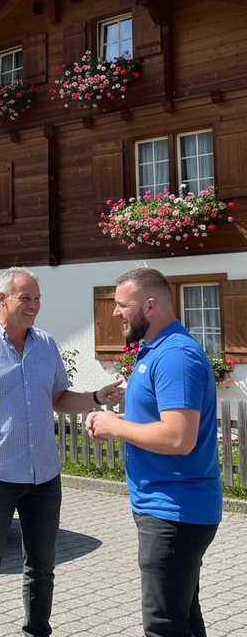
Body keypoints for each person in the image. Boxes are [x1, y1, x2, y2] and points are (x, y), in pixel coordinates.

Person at [0, 266, 124, 637]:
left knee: (42, 567)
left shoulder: (45, 344)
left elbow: (59, 398)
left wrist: (96, 397)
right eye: (25, 298)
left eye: (37, 298)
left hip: (45, 476)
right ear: (2, 299)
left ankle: (36, 631)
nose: (33, 305)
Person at [86, 268, 222, 637]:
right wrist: (116, 420)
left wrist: (115, 426)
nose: (115, 313)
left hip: (175, 511)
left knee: (164, 626)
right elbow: (159, 423)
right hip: (167, 509)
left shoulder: (176, 356)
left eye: (121, 305)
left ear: (150, 305)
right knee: (185, 619)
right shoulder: (157, 350)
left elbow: (179, 438)